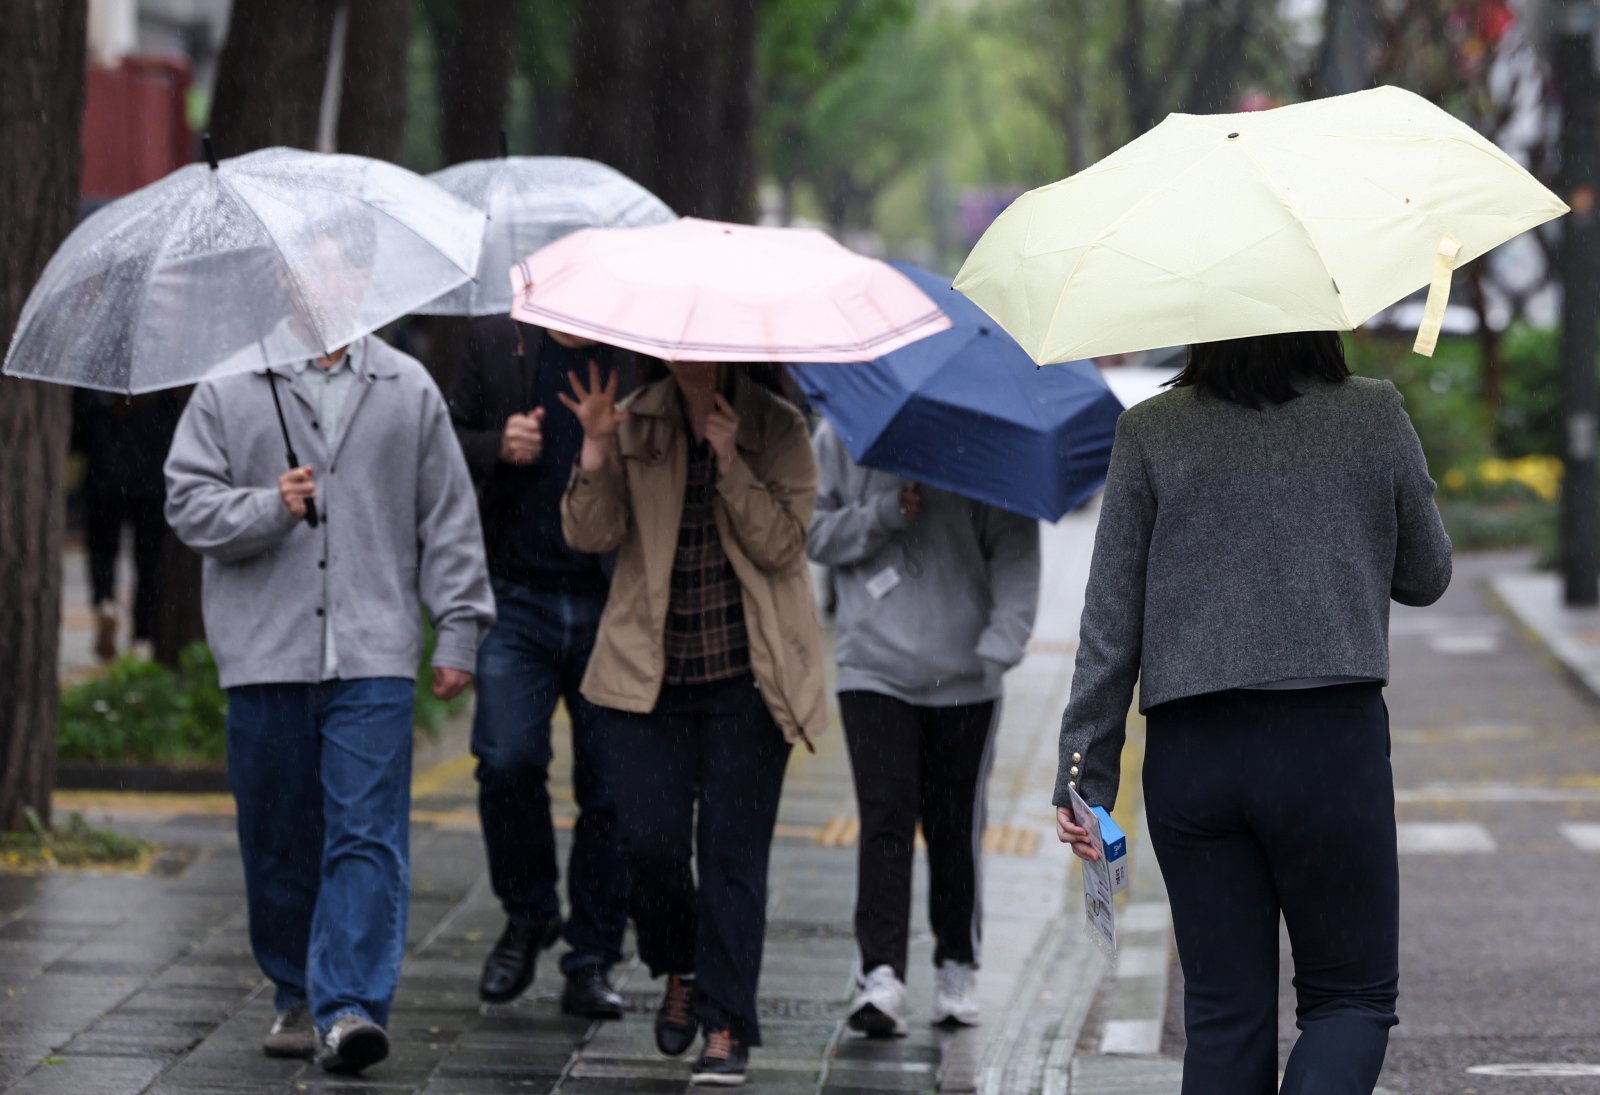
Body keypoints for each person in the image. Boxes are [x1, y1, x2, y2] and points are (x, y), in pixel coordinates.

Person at [1055, 332, 1452, 1095]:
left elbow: (1109, 625)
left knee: (1223, 1016)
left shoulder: (1151, 430)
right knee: (1349, 999)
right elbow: (1427, 574)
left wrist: (1085, 776)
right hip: (1329, 744)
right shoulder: (1373, 413)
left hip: (1194, 753)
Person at [164, 315, 494, 1075]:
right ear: (286, 279)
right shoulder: (229, 384)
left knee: (366, 832)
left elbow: (447, 515)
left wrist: (459, 629)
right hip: (265, 652)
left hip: (373, 651)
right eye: (315, 256)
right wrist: (265, 507)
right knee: (278, 835)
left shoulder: (408, 387)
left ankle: (349, 1006)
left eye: (346, 255)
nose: (330, 273)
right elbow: (186, 504)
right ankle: (296, 985)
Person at [560, 357, 826, 1086]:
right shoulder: (635, 416)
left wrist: (732, 458)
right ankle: (678, 963)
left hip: (749, 678)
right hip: (650, 678)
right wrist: (593, 448)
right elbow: (590, 534)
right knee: (648, 845)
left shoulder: (779, 426)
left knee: (733, 857)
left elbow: (782, 544)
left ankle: (726, 1019)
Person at [806, 422, 1040, 1035]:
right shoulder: (842, 437)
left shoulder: (986, 441)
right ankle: (880, 974)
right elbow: (813, 532)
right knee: (884, 818)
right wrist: (882, 513)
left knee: (953, 825)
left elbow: (1015, 545)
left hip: (965, 674)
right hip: (872, 667)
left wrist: (1002, 643)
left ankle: (956, 962)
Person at [447, 315, 629, 1017]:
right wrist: (498, 444)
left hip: (610, 601)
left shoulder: (635, 356)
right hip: (515, 596)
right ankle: (528, 914)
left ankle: (591, 957)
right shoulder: (498, 344)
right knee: (507, 759)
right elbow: (444, 443)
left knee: (610, 790)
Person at [72, 389, 183, 661]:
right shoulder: (163, 384)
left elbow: (77, 440)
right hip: (151, 483)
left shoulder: (94, 383)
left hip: (104, 479)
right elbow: (173, 435)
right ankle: (142, 636)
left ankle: (105, 601)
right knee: (148, 562)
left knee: (101, 551)